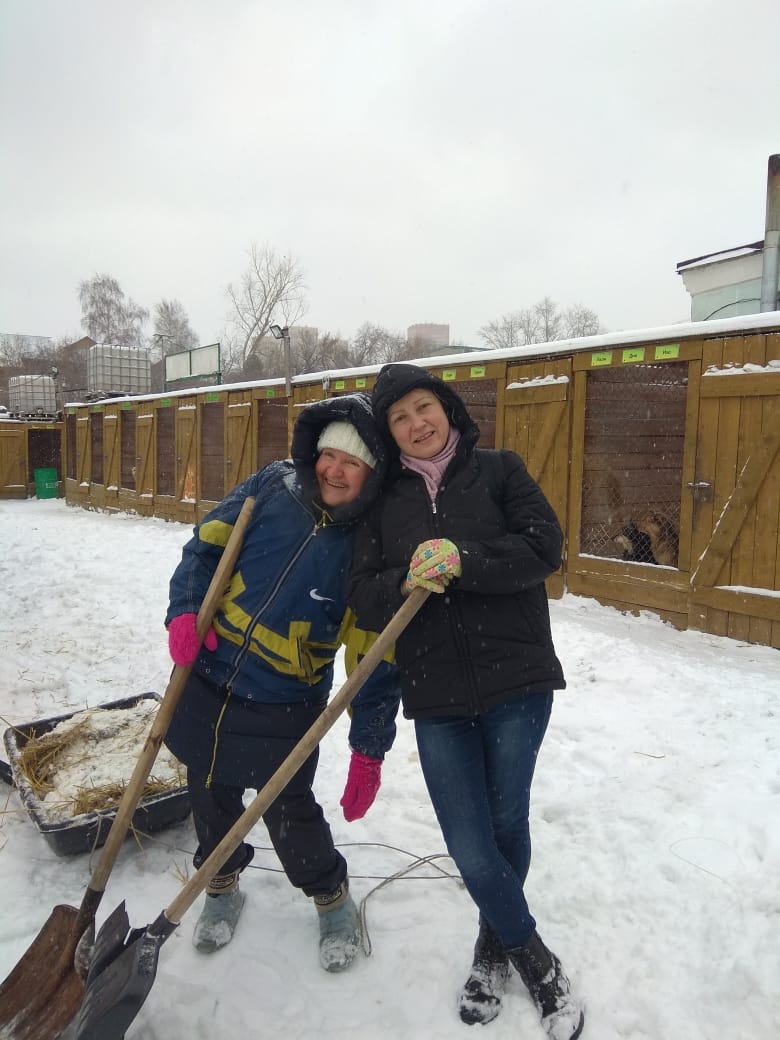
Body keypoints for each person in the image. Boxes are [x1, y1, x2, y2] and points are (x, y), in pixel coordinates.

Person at [344, 364, 585, 1038]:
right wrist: (404, 579)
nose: (416, 423)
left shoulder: (501, 471)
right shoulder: (381, 501)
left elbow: (544, 548)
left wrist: (463, 559)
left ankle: (491, 948)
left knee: (507, 823)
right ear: (390, 433)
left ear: (447, 408)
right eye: (399, 418)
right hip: (436, 693)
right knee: (472, 847)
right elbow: (362, 592)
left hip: (517, 682)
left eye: (424, 407)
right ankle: (534, 956)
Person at [164, 392, 399, 973]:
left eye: (352, 462)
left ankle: (331, 896)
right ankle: (220, 884)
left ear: (371, 474)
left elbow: (374, 657)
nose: (334, 470)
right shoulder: (273, 486)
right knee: (209, 794)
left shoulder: (369, 544)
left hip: (286, 699)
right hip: (208, 676)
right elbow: (206, 545)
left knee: (289, 811)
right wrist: (186, 611)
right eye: (328, 455)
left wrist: (368, 746)